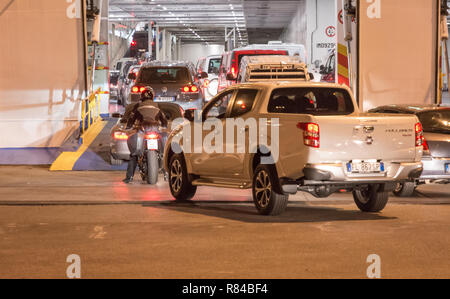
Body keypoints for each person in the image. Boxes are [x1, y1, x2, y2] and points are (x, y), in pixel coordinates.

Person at [123, 86, 168, 184]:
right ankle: (166, 174)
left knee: (134, 154)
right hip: (155, 129)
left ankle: (129, 177)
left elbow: (131, 118)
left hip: (143, 129)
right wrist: (164, 126)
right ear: (152, 96)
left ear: (142, 96)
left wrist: (128, 127)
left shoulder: (138, 106)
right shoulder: (156, 105)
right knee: (163, 153)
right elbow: (164, 119)